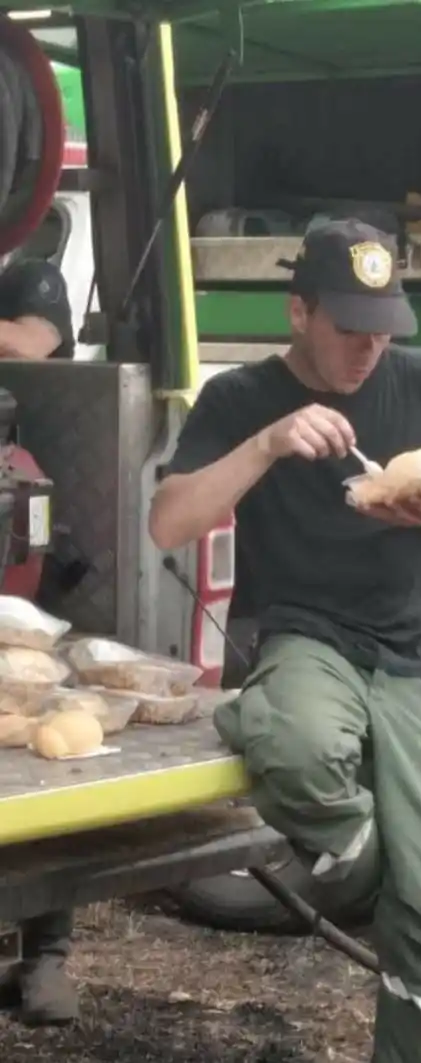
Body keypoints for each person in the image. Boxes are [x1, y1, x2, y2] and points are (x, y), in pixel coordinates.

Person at [149, 218, 421, 1063]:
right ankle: (382, 870)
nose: (371, 346)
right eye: (351, 326)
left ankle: (415, 993)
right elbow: (170, 520)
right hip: (312, 638)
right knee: (297, 745)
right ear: (298, 312)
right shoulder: (241, 398)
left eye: (385, 326)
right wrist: (271, 444)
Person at [0, 250, 77, 1027]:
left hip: (21, 567)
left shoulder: (28, 268)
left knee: (36, 748)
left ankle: (45, 953)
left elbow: (31, 342)